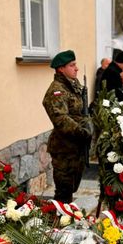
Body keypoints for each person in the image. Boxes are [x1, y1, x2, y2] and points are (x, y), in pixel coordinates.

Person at [42, 50, 93, 203]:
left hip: (76, 147)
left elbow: (79, 111)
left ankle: (66, 218)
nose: (76, 68)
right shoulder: (57, 90)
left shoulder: (73, 85)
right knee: (64, 193)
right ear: (60, 69)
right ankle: (58, 222)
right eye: (72, 65)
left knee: (72, 188)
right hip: (64, 150)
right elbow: (60, 118)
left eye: (75, 64)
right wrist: (82, 131)